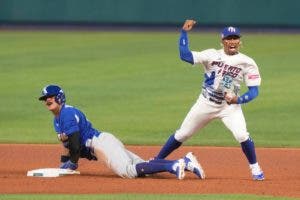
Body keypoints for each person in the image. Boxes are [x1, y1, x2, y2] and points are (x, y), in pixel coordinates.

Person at [155, 19, 264, 181]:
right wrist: (184, 32)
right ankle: (156, 161)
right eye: (228, 38)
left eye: (235, 38)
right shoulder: (212, 54)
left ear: (240, 41)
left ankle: (255, 169)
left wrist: (238, 100)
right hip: (205, 104)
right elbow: (185, 55)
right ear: (222, 41)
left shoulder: (247, 62)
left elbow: (254, 91)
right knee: (182, 134)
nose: (232, 41)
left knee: (242, 134)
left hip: (229, 107)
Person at [38, 84, 205, 180]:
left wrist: (72, 164)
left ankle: (174, 165)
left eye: (50, 96)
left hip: (100, 145)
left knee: (128, 172)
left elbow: (74, 144)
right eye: (45, 98)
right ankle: (186, 162)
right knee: (142, 167)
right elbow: (67, 145)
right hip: (104, 141)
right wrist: (63, 164)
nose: (47, 100)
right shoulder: (57, 119)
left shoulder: (66, 114)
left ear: (60, 97)